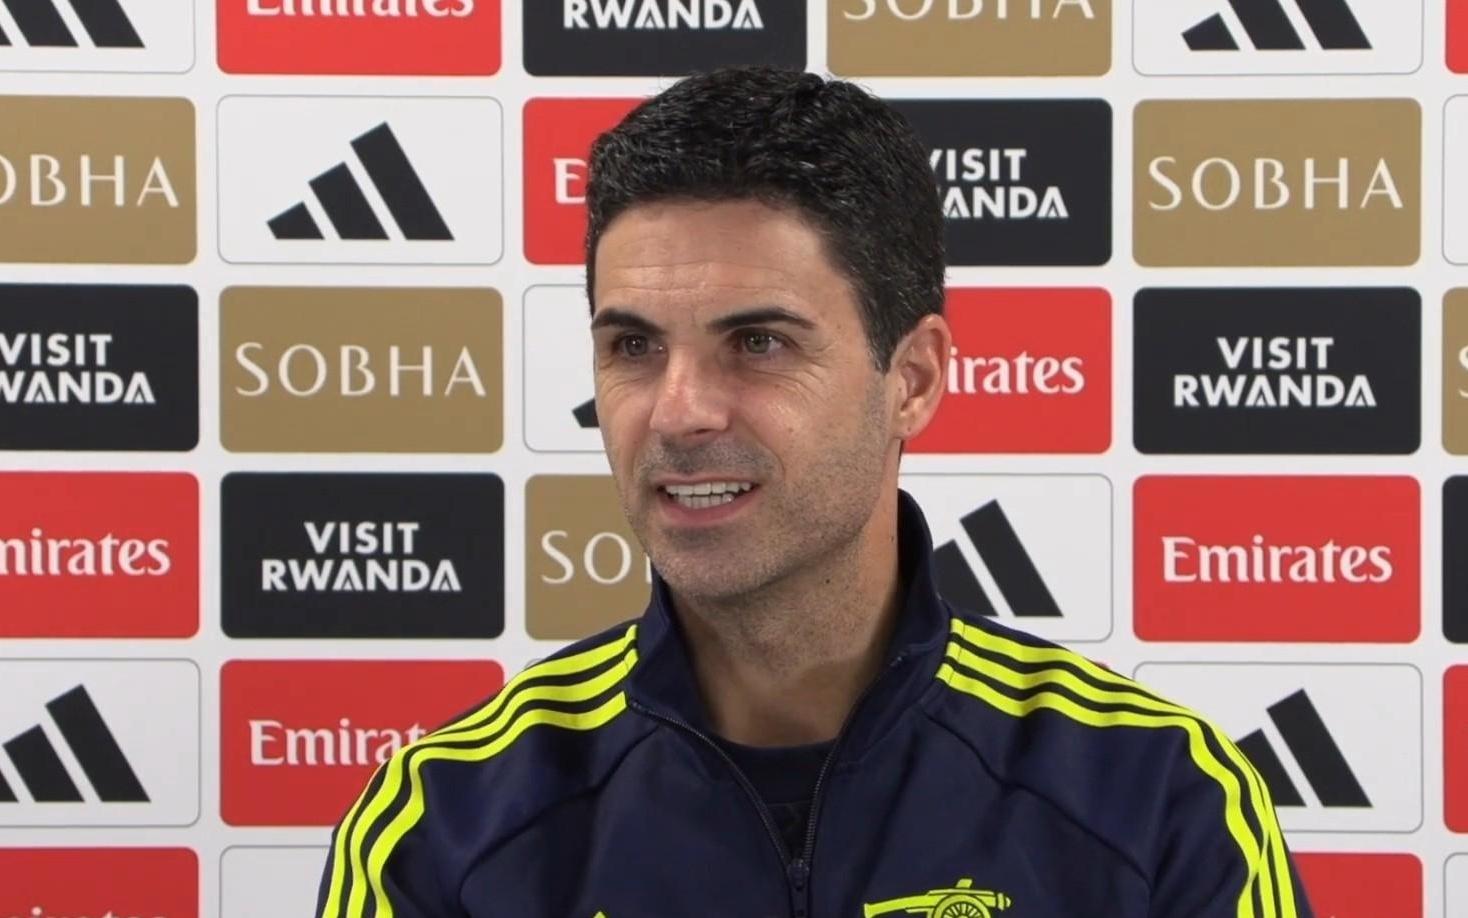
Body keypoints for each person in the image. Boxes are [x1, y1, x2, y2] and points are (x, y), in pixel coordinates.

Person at [314, 65, 1314, 918]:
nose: (678, 411)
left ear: (912, 378)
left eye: (758, 342)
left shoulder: (1155, 798)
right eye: (633, 347)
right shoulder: (448, 819)